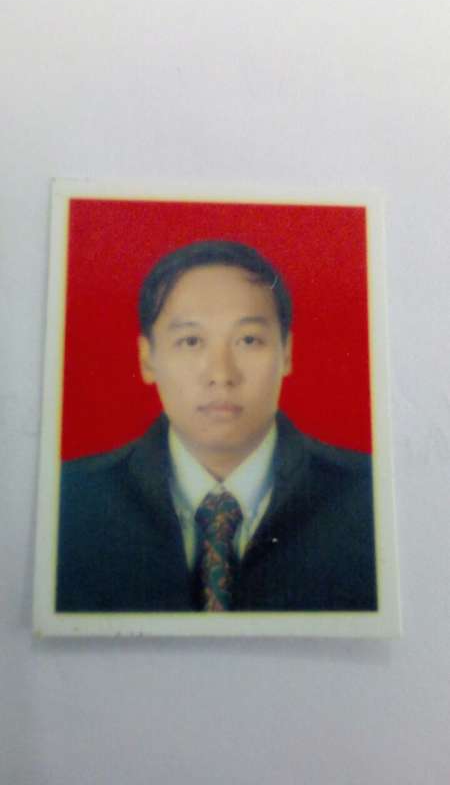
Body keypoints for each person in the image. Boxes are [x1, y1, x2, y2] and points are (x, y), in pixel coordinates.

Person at [57, 240, 377, 613]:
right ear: (147, 359)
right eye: (191, 341)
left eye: (248, 340)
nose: (221, 374)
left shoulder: (369, 497)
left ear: (287, 352)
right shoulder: (69, 501)